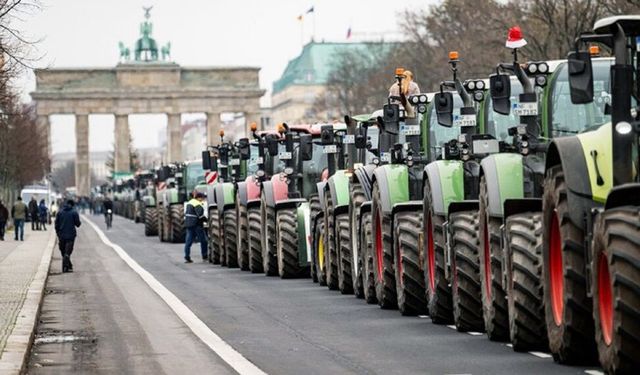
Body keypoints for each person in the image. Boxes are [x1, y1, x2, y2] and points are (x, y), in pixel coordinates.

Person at [55, 199, 81, 273]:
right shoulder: (74, 212)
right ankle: (67, 265)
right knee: (68, 251)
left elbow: (56, 224)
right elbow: (78, 224)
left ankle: (68, 265)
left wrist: (58, 232)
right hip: (71, 235)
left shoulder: (60, 212)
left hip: (61, 235)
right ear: (72, 205)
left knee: (63, 251)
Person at [183, 192, 208, 263]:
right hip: (196, 225)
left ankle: (187, 256)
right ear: (199, 198)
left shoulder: (189, 202)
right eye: (203, 198)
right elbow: (200, 216)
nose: (203, 200)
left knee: (188, 241)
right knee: (203, 241)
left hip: (188, 224)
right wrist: (207, 220)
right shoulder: (197, 204)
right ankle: (205, 256)